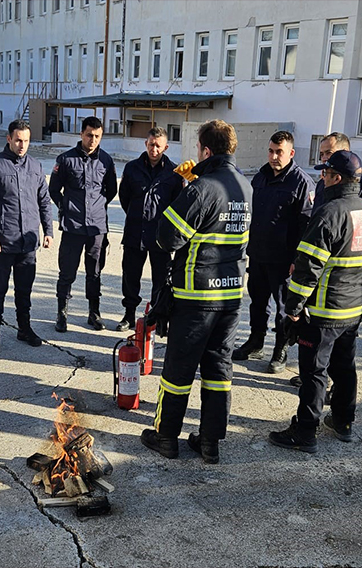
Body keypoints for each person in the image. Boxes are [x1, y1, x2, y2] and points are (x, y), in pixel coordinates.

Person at [140, 120, 252, 465]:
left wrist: (184, 187)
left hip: (196, 296)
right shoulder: (246, 187)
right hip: (231, 295)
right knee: (219, 370)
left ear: (205, 150)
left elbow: (167, 237)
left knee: (178, 370)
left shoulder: (201, 188)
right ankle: (209, 443)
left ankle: (167, 437)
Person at [269, 150, 362, 454]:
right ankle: (343, 422)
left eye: (326, 174)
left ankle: (305, 432)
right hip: (353, 308)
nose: (322, 178)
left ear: (337, 178)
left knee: (314, 373)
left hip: (322, 312)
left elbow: (307, 268)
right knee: (345, 367)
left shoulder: (329, 212)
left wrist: (292, 309)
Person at [232, 131, 314, 373]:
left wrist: (296, 260)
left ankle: (281, 349)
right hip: (257, 254)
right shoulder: (261, 177)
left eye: (279, 152)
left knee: (283, 309)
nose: (274, 156)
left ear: (291, 153)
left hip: (283, 260)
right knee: (257, 304)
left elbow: (306, 226)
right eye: (271, 151)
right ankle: (255, 342)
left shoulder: (301, 182)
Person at [0, 119, 54, 354]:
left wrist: (48, 230)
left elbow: (44, 200)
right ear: (9, 139)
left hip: (28, 242)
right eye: (18, 140)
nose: (22, 145)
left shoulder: (35, 166)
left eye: (26, 141)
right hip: (3, 243)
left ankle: (24, 328)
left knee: (24, 291)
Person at [49, 116, 118, 332]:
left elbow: (111, 190)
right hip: (73, 226)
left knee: (94, 273)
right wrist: (66, 207)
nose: (93, 140)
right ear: (81, 134)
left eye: (97, 136)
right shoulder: (66, 159)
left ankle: (93, 313)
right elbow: (53, 189)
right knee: (67, 272)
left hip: (97, 228)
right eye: (89, 135)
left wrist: (97, 208)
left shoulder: (106, 160)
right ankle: (62, 313)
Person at [116, 126, 182, 331]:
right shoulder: (132, 168)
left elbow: (177, 203)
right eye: (151, 144)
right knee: (130, 276)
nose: (154, 149)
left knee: (161, 280)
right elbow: (124, 197)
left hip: (160, 237)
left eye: (158, 146)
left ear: (166, 147)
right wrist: (138, 216)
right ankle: (128, 315)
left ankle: (156, 317)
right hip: (135, 233)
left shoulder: (173, 173)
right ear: (146, 143)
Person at [315, 132, 362, 213]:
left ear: (345, 152)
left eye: (329, 153)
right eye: (321, 154)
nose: (324, 158)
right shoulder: (323, 181)